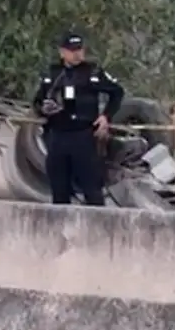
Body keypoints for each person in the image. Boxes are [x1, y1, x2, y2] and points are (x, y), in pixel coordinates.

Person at [31, 33, 124, 206]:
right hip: (58, 136)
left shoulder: (93, 72)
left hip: (84, 136)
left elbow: (117, 92)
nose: (77, 54)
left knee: (92, 189)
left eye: (79, 50)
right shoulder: (52, 74)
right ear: (62, 52)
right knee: (59, 191)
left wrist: (106, 116)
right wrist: (44, 109)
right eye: (72, 50)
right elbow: (37, 101)